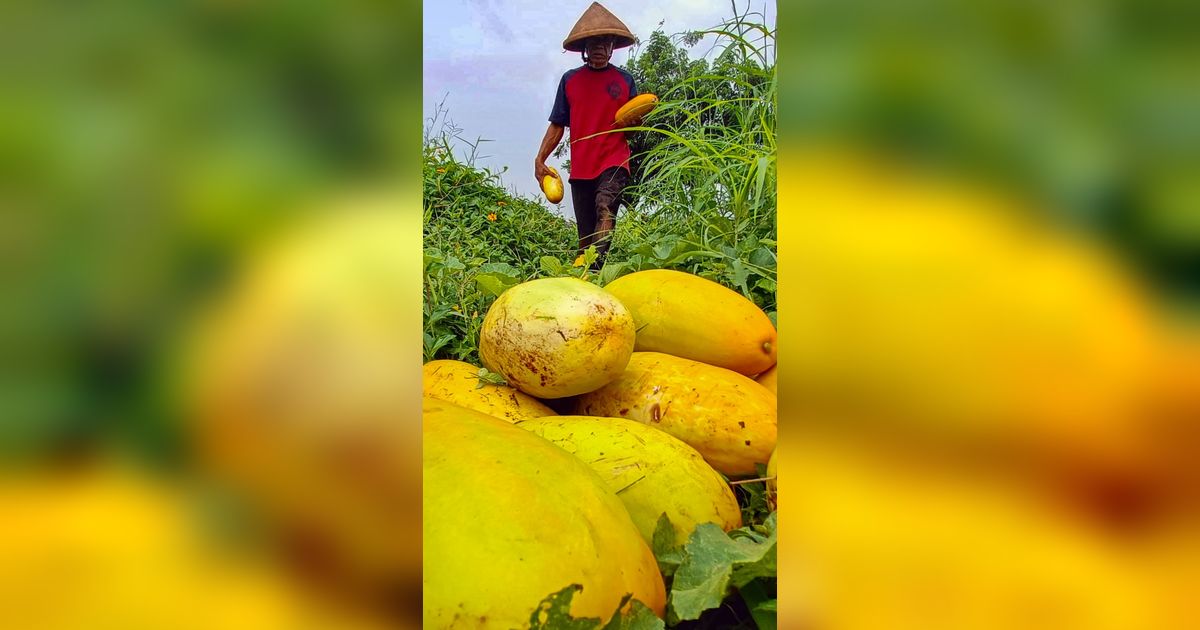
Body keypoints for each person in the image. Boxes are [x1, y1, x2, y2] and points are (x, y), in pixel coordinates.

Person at [534, 2, 638, 271]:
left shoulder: (625, 81)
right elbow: (558, 123)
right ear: (584, 49)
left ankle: (591, 269)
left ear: (612, 45)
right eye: (593, 43)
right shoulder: (570, 81)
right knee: (585, 239)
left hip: (614, 161)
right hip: (581, 168)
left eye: (605, 42)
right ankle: (591, 279)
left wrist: (637, 122)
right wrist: (540, 159)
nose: (599, 48)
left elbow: (636, 124)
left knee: (605, 207)